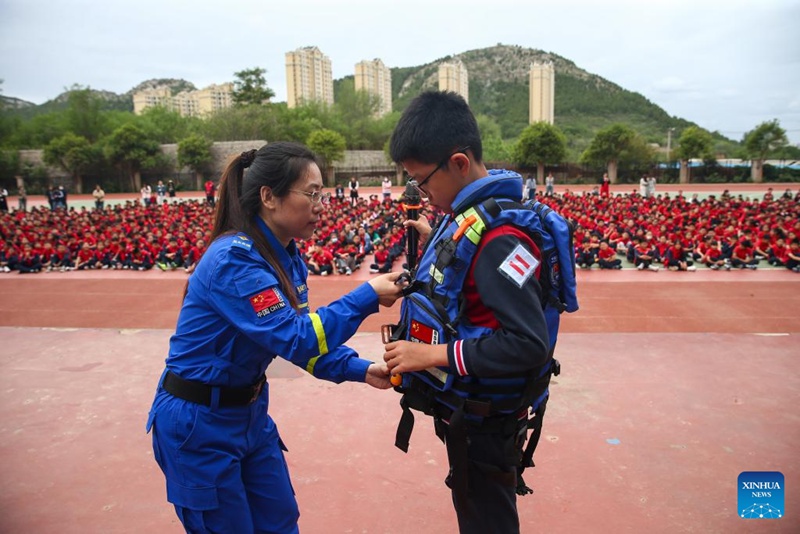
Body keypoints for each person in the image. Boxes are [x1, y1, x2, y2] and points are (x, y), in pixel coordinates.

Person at [146, 142, 405, 533]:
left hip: (248, 414)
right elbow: (298, 338)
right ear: (269, 196)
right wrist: (366, 296)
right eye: (312, 193)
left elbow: (298, 343)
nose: (322, 204)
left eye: (324, 193)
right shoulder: (235, 260)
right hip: (199, 423)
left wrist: (360, 368)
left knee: (281, 522)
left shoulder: (286, 257)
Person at [384, 91, 556, 534]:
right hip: (469, 413)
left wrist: (431, 356)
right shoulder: (470, 213)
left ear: (459, 162)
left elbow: (528, 344)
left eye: (423, 181)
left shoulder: (502, 239)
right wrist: (431, 232)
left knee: (487, 521)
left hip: (488, 422)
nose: (421, 193)